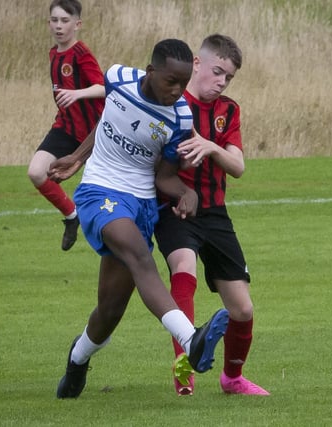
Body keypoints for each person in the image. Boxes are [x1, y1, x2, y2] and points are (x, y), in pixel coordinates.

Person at [47, 38, 229, 399]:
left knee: (109, 311)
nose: (176, 91)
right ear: (151, 72)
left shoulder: (179, 116)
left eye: (182, 83)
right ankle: (190, 338)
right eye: (170, 82)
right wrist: (78, 158)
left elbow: (164, 176)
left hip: (141, 204)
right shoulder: (117, 77)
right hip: (99, 191)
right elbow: (107, 120)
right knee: (140, 257)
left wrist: (186, 193)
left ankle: (78, 358)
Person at [154, 34, 269, 396]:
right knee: (183, 267)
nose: (221, 81)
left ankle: (232, 378)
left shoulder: (228, 111)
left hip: (216, 213)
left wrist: (210, 147)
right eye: (217, 71)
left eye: (229, 77)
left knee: (243, 309)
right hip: (174, 210)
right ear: (196, 63)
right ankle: (184, 370)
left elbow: (238, 166)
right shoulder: (171, 103)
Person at [27, 0, 105, 250]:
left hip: (93, 133)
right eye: (54, 20)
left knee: (103, 190)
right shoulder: (53, 53)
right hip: (65, 127)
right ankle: (72, 217)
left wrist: (78, 94)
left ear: (77, 24)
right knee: (36, 172)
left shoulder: (81, 54)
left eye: (65, 21)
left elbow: (104, 88)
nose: (59, 26)